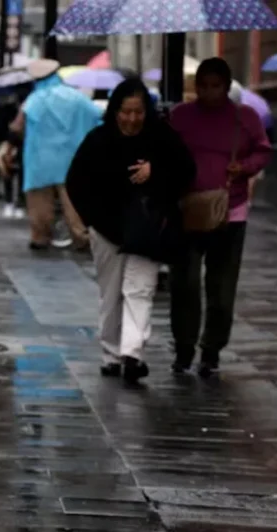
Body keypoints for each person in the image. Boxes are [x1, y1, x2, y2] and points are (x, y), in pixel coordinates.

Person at [66, 78, 196, 385]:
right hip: (107, 230)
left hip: (148, 230)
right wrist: (93, 221)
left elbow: (186, 172)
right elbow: (76, 182)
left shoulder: (162, 137)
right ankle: (111, 354)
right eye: (126, 111)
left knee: (140, 290)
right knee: (110, 294)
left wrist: (156, 171)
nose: (132, 119)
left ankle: (132, 353)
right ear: (115, 111)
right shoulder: (98, 140)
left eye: (138, 112)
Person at [169, 58, 272, 378]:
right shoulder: (180, 116)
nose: (209, 92)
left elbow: (263, 150)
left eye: (215, 86)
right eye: (203, 86)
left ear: (227, 87)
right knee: (184, 284)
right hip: (187, 211)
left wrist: (244, 168)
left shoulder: (245, 117)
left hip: (231, 211)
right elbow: (164, 151)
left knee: (222, 288)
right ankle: (184, 347)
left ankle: (211, 349)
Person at [10, 59, 101, 251]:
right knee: (74, 200)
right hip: (72, 158)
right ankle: (81, 237)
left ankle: (40, 237)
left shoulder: (34, 100)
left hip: (40, 158)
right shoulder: (77, 97)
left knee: (39, 201)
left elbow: (17, 127)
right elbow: (98, 116)